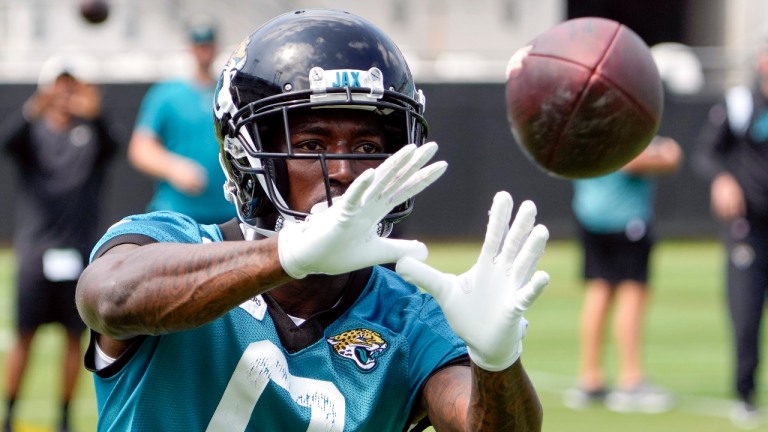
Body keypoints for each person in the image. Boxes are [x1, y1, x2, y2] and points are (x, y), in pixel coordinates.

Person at [76, 10, 552, 431]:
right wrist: (287, 256)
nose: (344, 171)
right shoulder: (173, 244)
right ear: (246, 159)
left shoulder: (408, 320)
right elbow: (110, 298)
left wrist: (497, 363)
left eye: (366, 148)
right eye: (311, 145)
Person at [0, 56, 117, 432]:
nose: (65, 93)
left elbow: (114, 145)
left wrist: (94, 113)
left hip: (79, 250)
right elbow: (8, 141)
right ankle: (9, 414)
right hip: (36, 252)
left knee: (73, 338)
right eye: (59, 85)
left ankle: (65, 420)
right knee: (24, 337)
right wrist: (36, 105)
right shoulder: (32, 135)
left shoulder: (90, 134)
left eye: (71, 85)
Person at [563, 136, 682, 413]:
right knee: (631, 292)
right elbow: (630, 161)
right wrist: (666, 156)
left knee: (599, 290)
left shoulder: (583, 125)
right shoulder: (617, 121)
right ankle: (631, 380)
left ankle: (590, 378)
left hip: (590, 214)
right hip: (624, 219)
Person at [695, 43, 768, 428]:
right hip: (748, 228)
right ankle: (746, 393)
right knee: (746, 312)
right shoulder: (741, 104)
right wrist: (723, 178)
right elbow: (706, 153)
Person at [127, 18, 235, 224]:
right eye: (199, 44)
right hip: (178, 214)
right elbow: (140, 148)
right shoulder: (166, 94)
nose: (204, 50)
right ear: (190, 48)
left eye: (208, 44)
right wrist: (173, 167)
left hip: (229, 213)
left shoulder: (228, 93)